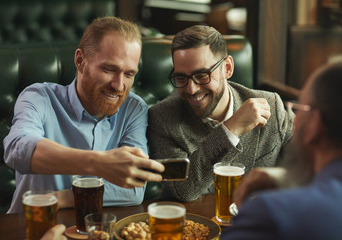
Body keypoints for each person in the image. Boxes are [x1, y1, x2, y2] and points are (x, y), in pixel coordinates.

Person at [3, 17, 164, 213]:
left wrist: (57, 198)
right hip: (34, 226)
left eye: (129, 74)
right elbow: (17, 149)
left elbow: (133, 189)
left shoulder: (134, 108)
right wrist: (101, 163)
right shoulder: (39, 97)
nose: (119, 85)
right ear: (80, 61)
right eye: (108, 69)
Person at [147, 25, 294, 202]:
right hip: (198, 224)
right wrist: (231, 129)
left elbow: (310, 161)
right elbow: (184, 190)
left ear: (227, 68)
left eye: (202, 76)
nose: (191, 89)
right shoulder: (162, 118)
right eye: (181, 78)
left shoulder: (272, 105)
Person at [221, 61, 342, 239]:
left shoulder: (269, 213)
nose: (294, 116)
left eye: (299, 107)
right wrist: (286, 177)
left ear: (314, 126)